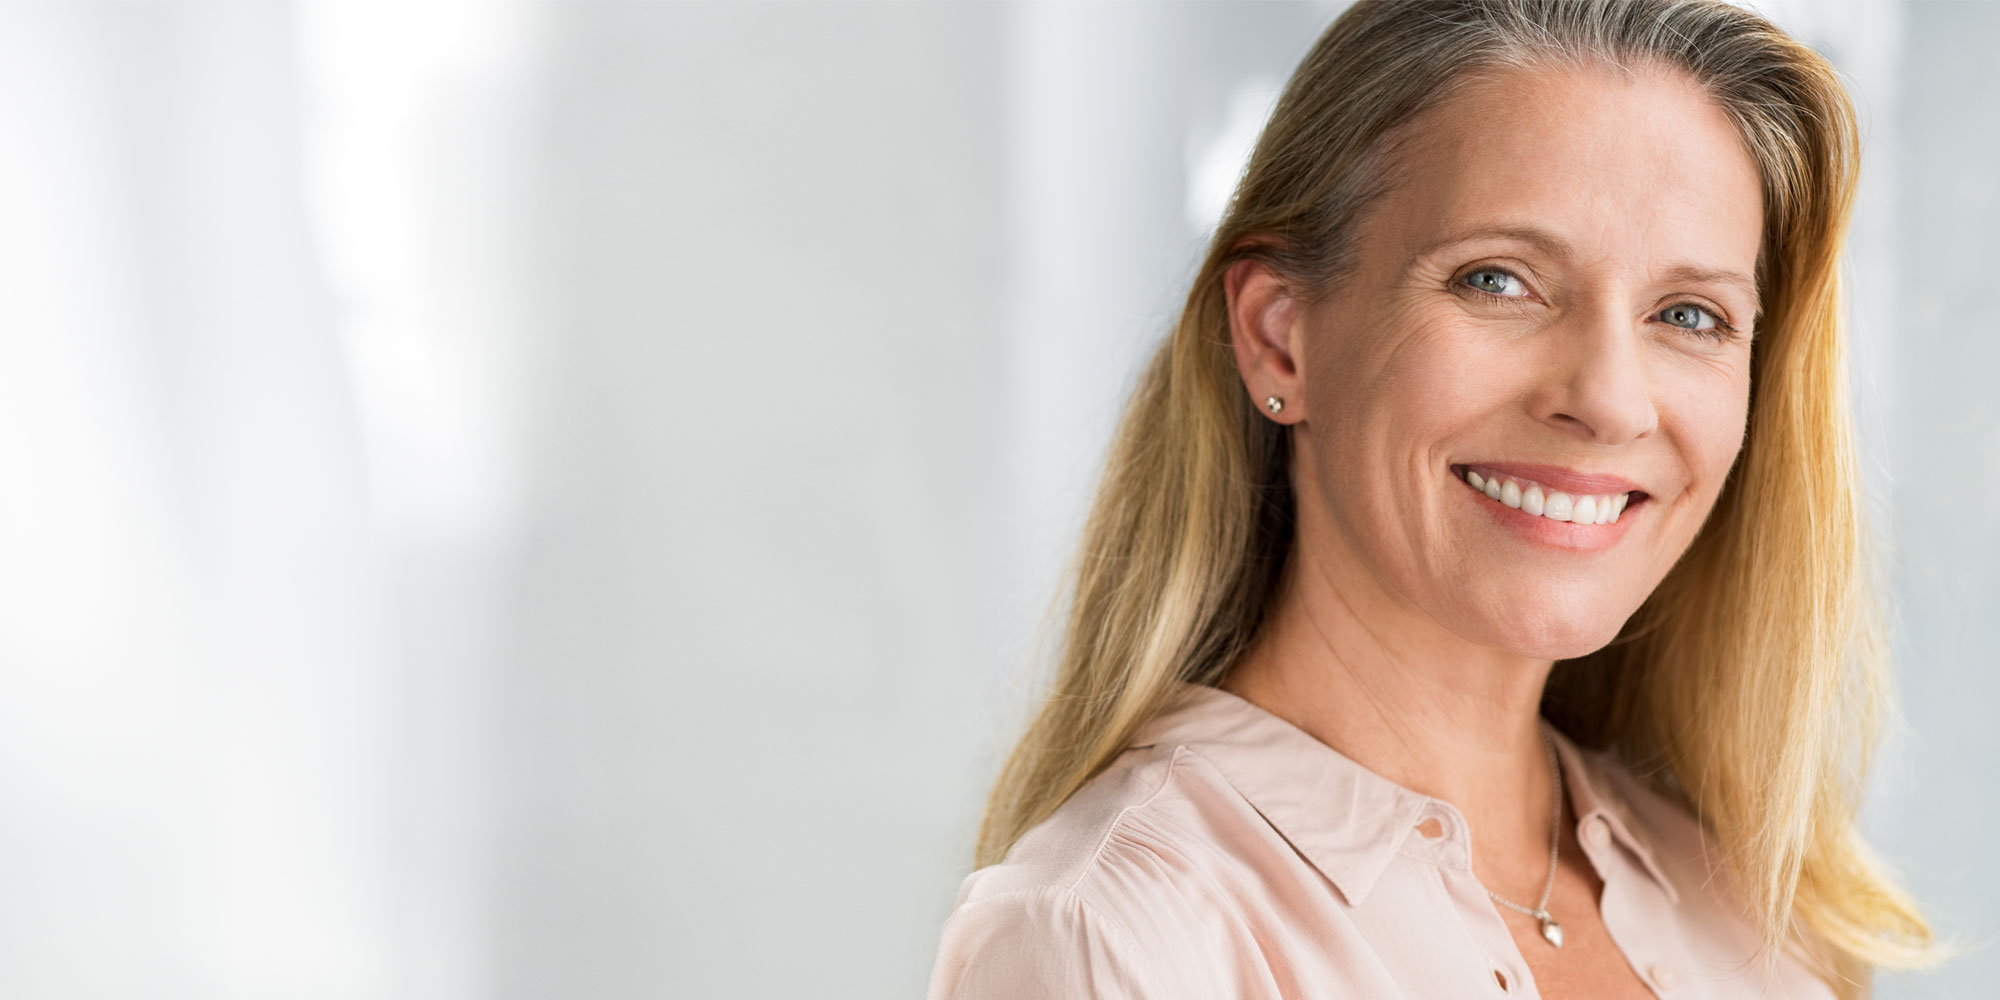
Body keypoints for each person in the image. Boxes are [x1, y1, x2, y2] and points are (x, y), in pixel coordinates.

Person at [925, 1, 1947, 998]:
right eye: (1497, 281)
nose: (1605, 399)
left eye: (1687, 313)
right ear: (1280, 335)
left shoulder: (1758, 921)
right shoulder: (1108, 939)